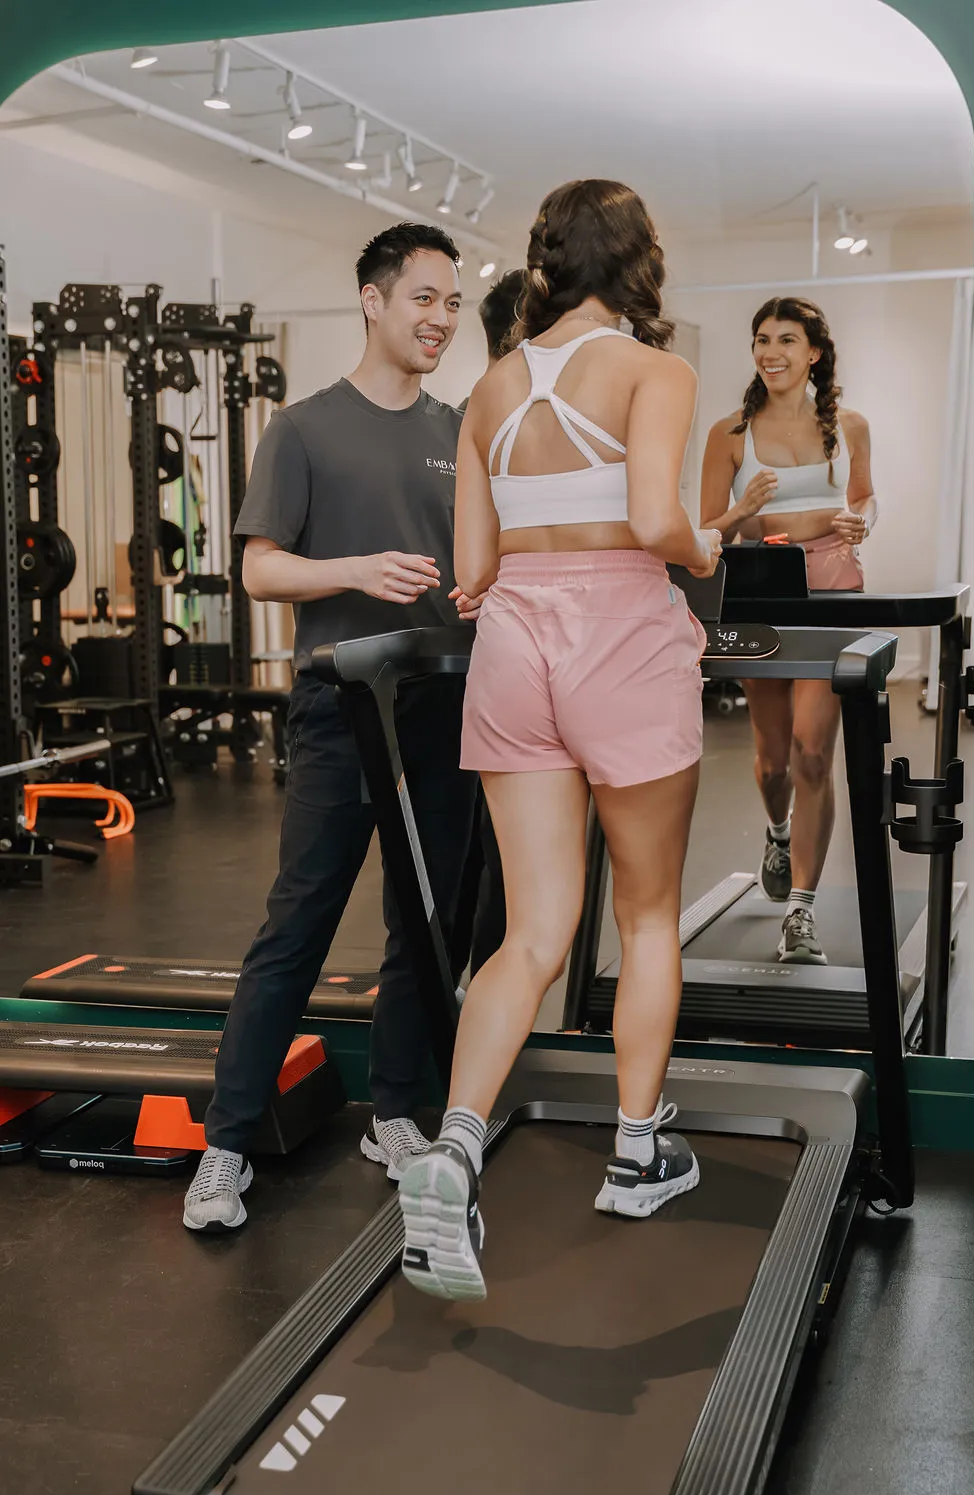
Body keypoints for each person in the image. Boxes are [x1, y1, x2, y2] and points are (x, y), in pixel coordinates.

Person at [396, 179, 722, 1302]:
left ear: (544, 262)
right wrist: (708, 540)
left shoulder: (488, 388)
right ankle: (637, 1156)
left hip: (515, 646)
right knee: (645, 913)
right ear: (637, 259)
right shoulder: (654, 371)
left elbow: (471, 573)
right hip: (620, 638)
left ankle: (452, 1145)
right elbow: (652, 522)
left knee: (531, 932)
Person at [183, 223, 483, 1233]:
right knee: (297, 925)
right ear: (372, 299)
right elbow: (260, 568)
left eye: (453, 303)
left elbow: (476, 568)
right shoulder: (303, 429)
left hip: (442, 706)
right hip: (338, 710)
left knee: (426, 922)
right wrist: (356, 571)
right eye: (424, 298)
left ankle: (394, 1112)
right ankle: (223, 1147)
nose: (441, 318)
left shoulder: (458, 430)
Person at [700, 297, 877, 965]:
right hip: (760, 597)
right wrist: (743, 510)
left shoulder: (848, 427)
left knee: (812, 754)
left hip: (834, 591)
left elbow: (863, 499)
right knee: (774, 760)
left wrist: (863, 521)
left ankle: (801, 913)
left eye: (785, 339)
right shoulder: (731, 435)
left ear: (814, 353)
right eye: (761, 340)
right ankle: (778, 832)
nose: (770, 350)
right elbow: (706, 531)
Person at [450, 269, 527, 977]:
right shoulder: (485, 415)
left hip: (528, 659)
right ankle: (468, 987)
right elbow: (471, 563)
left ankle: (480, 986)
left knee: (504, 851)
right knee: (480, 845)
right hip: (491, 662)